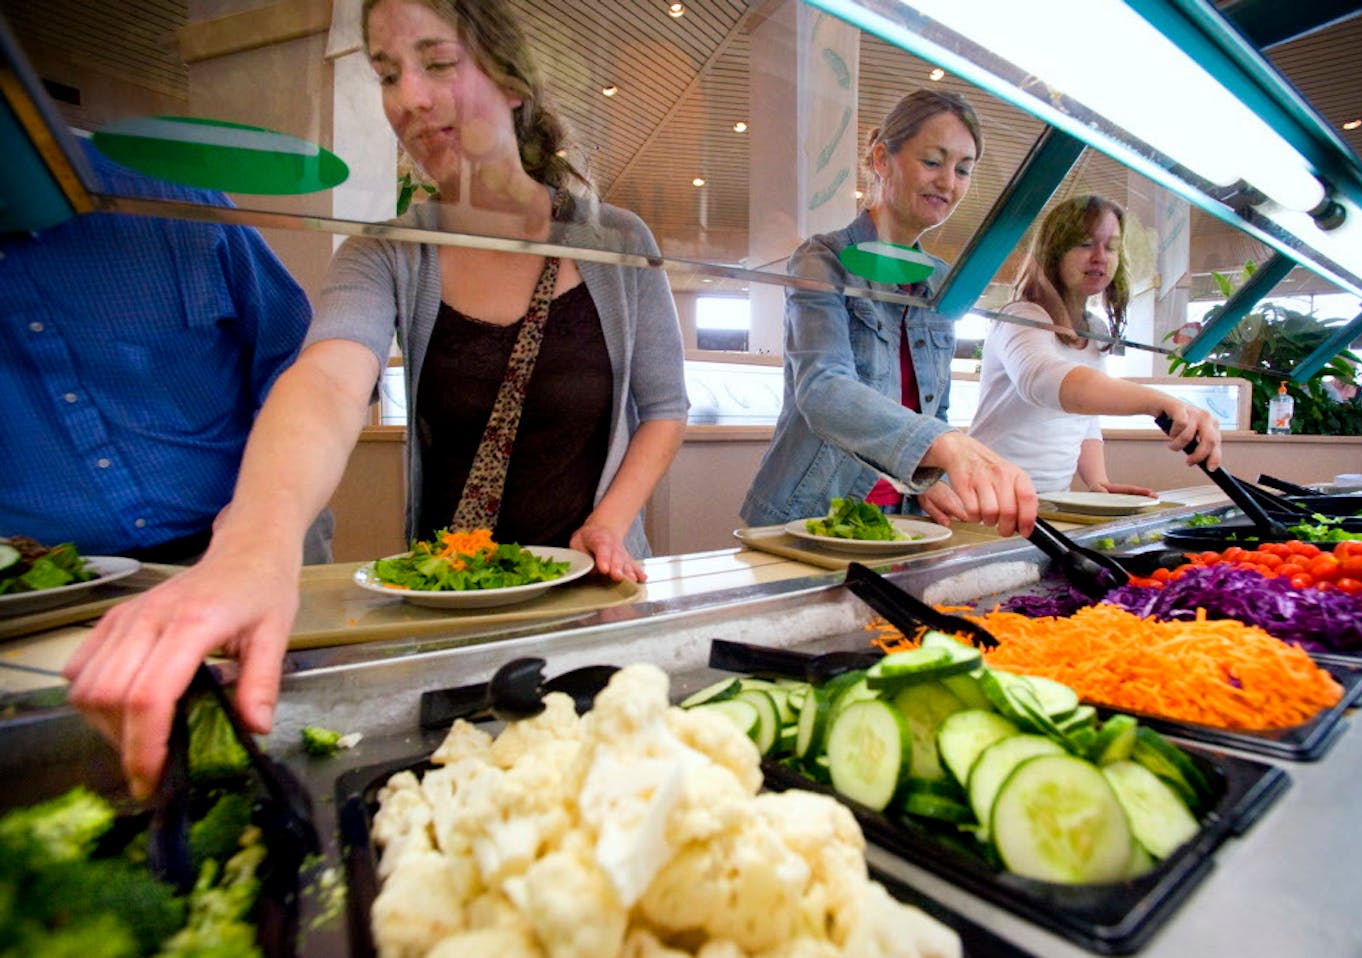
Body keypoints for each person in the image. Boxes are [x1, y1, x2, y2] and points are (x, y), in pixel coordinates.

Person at [64, 0, 688, 798]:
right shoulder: (386, 252)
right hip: (448, 607)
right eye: (388, 74)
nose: (408, 100)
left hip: (591, 595)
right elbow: (327, 377)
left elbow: (666, 408)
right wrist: (259, 536)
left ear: (510, 78)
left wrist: (607, 520)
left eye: (435, 62)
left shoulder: (617, 240)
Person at [1, 137, 331, 566]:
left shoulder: (168, 198)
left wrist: (273, 500)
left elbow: (299, 356)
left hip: (246, 542)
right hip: (46, 579)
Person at [741, 89, 1037, 536]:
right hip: (811, 513)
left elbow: (931, 408)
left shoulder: (941, 280)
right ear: (882, 159)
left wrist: (927, 481)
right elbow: (823, 389)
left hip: (904, 521)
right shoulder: (822, 258)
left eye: (963, 170)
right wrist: (945, 444)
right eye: (933, 161)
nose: (948, 182)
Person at [967, 195, 1221, 497]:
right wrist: (1156, 401)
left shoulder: (1095, 330)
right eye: (1086, 244)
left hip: (1049, 498)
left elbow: (1084, 419)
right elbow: (1042, 380)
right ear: (1053, 252)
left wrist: (1098, 482)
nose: (1100, 256)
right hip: (983, 497)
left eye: (1111, 247)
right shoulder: (1021, 316)